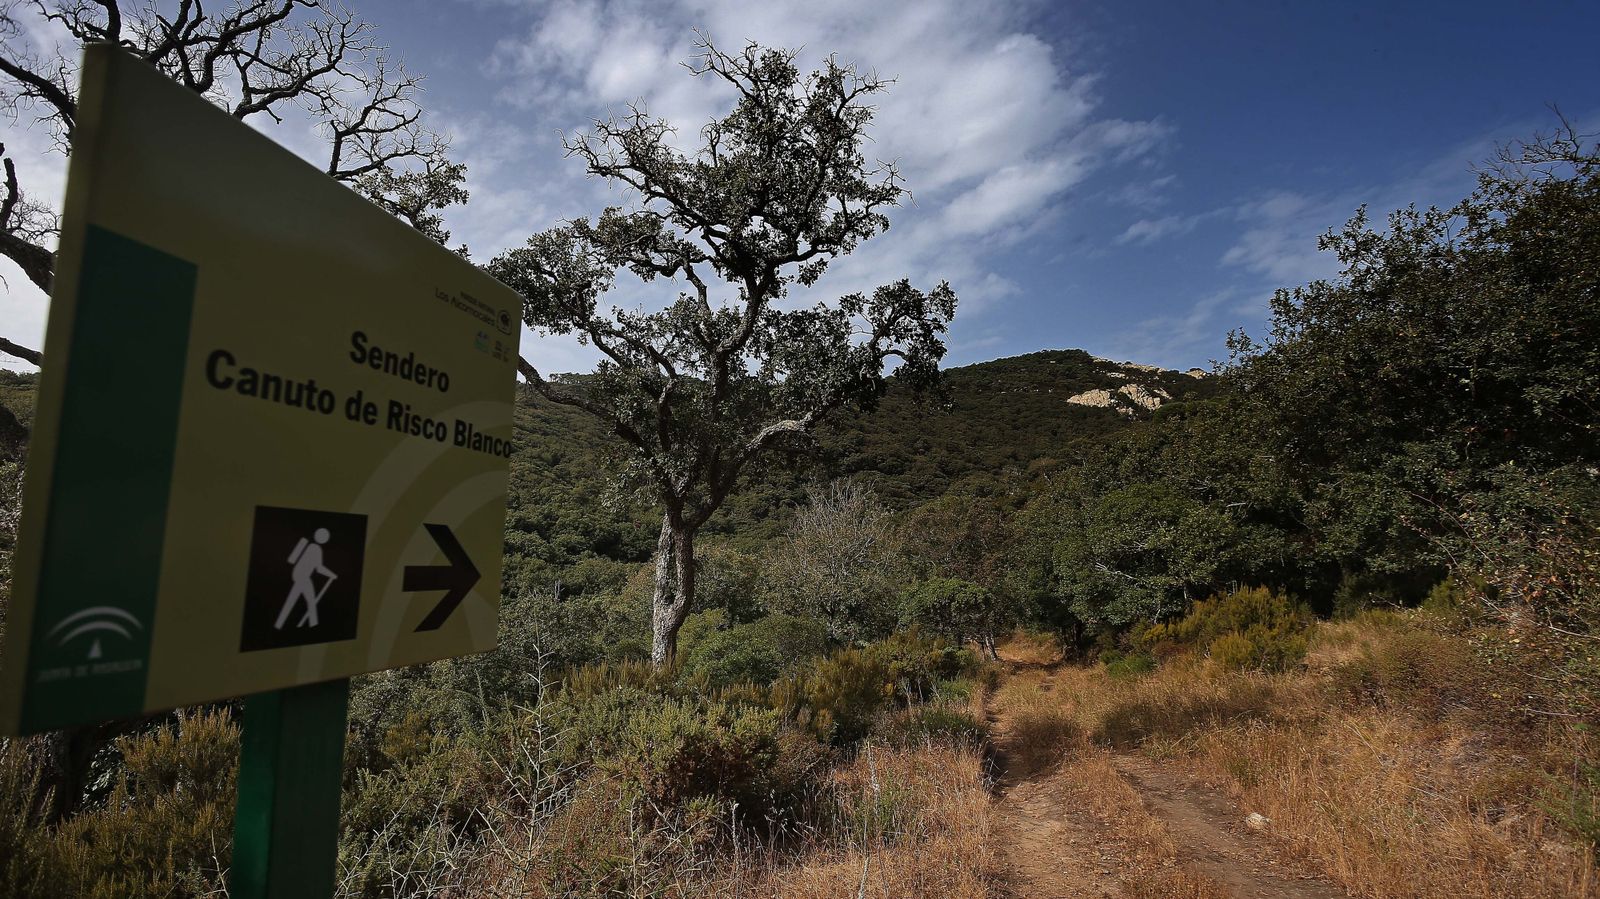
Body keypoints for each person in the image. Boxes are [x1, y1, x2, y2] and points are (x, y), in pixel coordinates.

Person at [275, 527, 337, 629]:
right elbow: (319, 568)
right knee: (308, 601)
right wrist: (332, 574)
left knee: (295, 600)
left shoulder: (309, 545)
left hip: (298, 575)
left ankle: (280, 624)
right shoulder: (316, 549)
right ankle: (313, 625)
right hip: (303, 577)